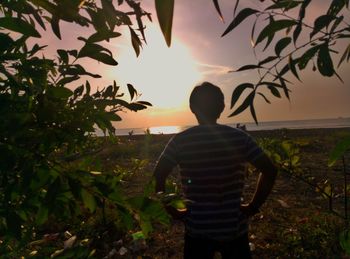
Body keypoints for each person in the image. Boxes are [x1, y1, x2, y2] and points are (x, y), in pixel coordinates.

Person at [153, 82, 277, 259]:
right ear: (222, 107)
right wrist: (253, 206)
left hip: (197, 229)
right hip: (234, 228)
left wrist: (170, 208)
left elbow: (158, 175)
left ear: (192, 108)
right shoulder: (240, 138)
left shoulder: (180, 141)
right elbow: (270, 171)